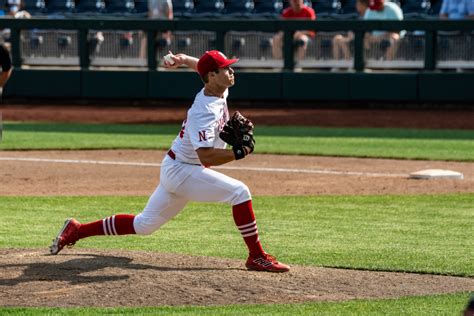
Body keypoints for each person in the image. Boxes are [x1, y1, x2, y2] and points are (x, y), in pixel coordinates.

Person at [49, 50, 290, 273]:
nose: (232, 71)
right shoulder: (203, 110)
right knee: (240, 192)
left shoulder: (219, 89)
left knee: (144, 225)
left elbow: (201, 67)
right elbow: (206, 156)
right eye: (226, 68)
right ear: (213, 76)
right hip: (184, 171)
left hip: (178, 167)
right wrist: (240, 152)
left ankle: (77, 230)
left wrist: (184, 59)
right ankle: (256, 256)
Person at [332, 0, 403, 61]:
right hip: (373, 39)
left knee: (395, 37)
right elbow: (365, 29)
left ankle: (388, 65)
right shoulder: (370, 10)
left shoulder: (393, 9)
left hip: (389, 38)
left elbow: (397, 31)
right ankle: (357, 64)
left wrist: (380, 37)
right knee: (358, 37)